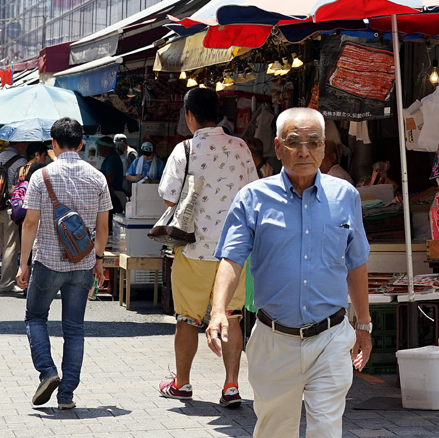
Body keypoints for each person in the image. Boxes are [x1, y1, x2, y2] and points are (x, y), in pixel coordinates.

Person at [207, 107, 372, 438]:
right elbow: (232, 258)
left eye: (313, 142)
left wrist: (364, 326)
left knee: (326, 427)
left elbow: (356, 262)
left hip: (331, 337)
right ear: (278, 147)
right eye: (294, 142)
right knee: (274, 430)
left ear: (324, 147)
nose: (304, 151)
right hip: (274, 340)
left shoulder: (345, 197)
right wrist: (217, 311)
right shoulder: (253, 198)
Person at [158, 88, 257, 407]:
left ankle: (183, 384)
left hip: (193, 250)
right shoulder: (240, 146)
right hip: (234, 251)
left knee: (187, 318)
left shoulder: (184, 150)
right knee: (232, 315)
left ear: (189, 115)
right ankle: (230, 385)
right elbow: (253, 194)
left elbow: (168, 196)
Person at [16, 118, 111, 412]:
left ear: (53, 144)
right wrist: (98, 258)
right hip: (82, 264)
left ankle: (47, 372)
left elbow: (30, 222)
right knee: (74, 329)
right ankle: (66, 395)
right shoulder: (98, 178)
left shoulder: (40, 176)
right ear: (81, 144)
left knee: (35, 317)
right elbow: (103, 227)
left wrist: (23, 264)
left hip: (47, 262)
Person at [0, 142, 27, 295]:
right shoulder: (21, 162)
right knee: (10, 246)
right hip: (9, 209)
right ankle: (5, 283)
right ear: (19, 145)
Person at [98, 137, 125, 211]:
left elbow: (110, 175)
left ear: (105, 147)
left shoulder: (112, 158)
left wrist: (104, 189)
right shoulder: (111, 157)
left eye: (99, 147)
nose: (98, 149)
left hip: (113, 194)